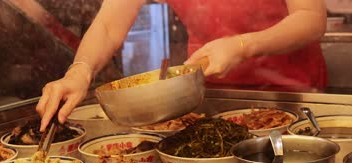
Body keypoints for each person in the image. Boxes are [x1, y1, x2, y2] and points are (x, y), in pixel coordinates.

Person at [37, 0, 327, 131]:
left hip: (291, 95)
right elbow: (109, 25)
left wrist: (242, 46)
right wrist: (79, 71)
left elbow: (311, 18)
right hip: (206, 98)